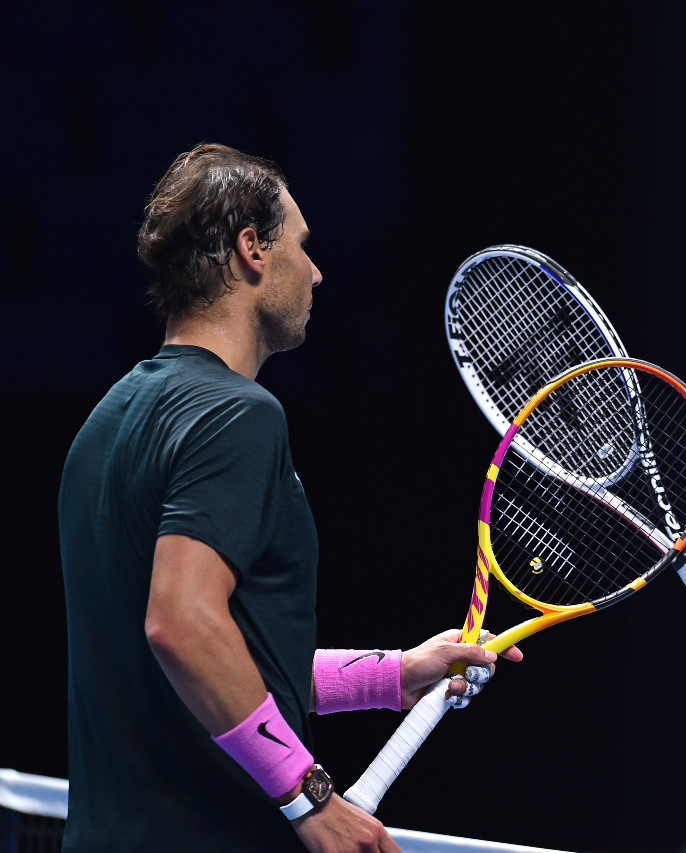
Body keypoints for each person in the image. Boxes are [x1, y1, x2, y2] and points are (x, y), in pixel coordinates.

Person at [58, 143, 521, 853]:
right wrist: (310, 796)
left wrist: (394, 675)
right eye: (302, 246)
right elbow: (182, 627)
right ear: (251, 249)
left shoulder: (107, 420)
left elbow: (221, 662)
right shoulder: (239, 414)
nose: (317, 272)